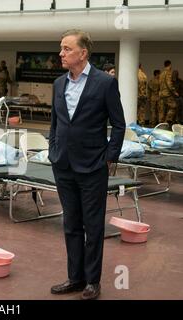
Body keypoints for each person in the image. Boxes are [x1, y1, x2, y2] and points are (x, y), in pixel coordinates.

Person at [48, 30, 125, 300]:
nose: (61, 53)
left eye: (67, 49)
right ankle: (75, 278)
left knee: (93, 227)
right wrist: (52, 151)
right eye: (61, 48)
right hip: (63, 165)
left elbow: (119, 124)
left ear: (82, 53)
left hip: (92, 166)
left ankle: (93, 281)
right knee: (71, 224)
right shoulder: (59, 84)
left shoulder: (104, 83)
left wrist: (109, 156)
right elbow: (56, 123)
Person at [159, 60, 179, 125]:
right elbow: (169, 83)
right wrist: (174, 92)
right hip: (167, 94)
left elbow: (160, 84)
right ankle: (167, 121)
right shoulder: (168, 72)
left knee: (163, 110)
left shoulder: (161, 74)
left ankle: (161, 124)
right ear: (170, 65)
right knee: (173, 106)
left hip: (162, 94)